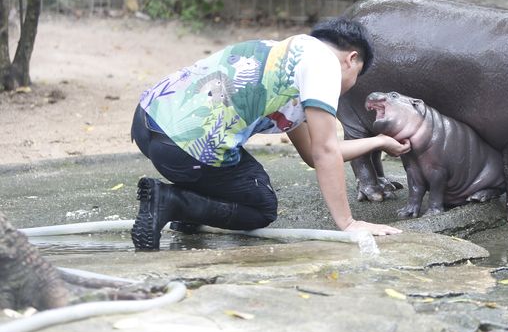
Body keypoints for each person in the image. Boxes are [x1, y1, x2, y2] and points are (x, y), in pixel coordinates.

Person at [129, 17, 411, 251]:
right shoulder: (325, 65)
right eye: (357, 76)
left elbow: (314, 154)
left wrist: (379, 141)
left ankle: (187, 211)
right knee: (261, 205)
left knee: (232, 171)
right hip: (186, 146)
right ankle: (170, 201)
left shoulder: (290, 57)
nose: (350, 86)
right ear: (351, 59)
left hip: (147, 124)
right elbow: (326, 153)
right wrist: (348, 223)